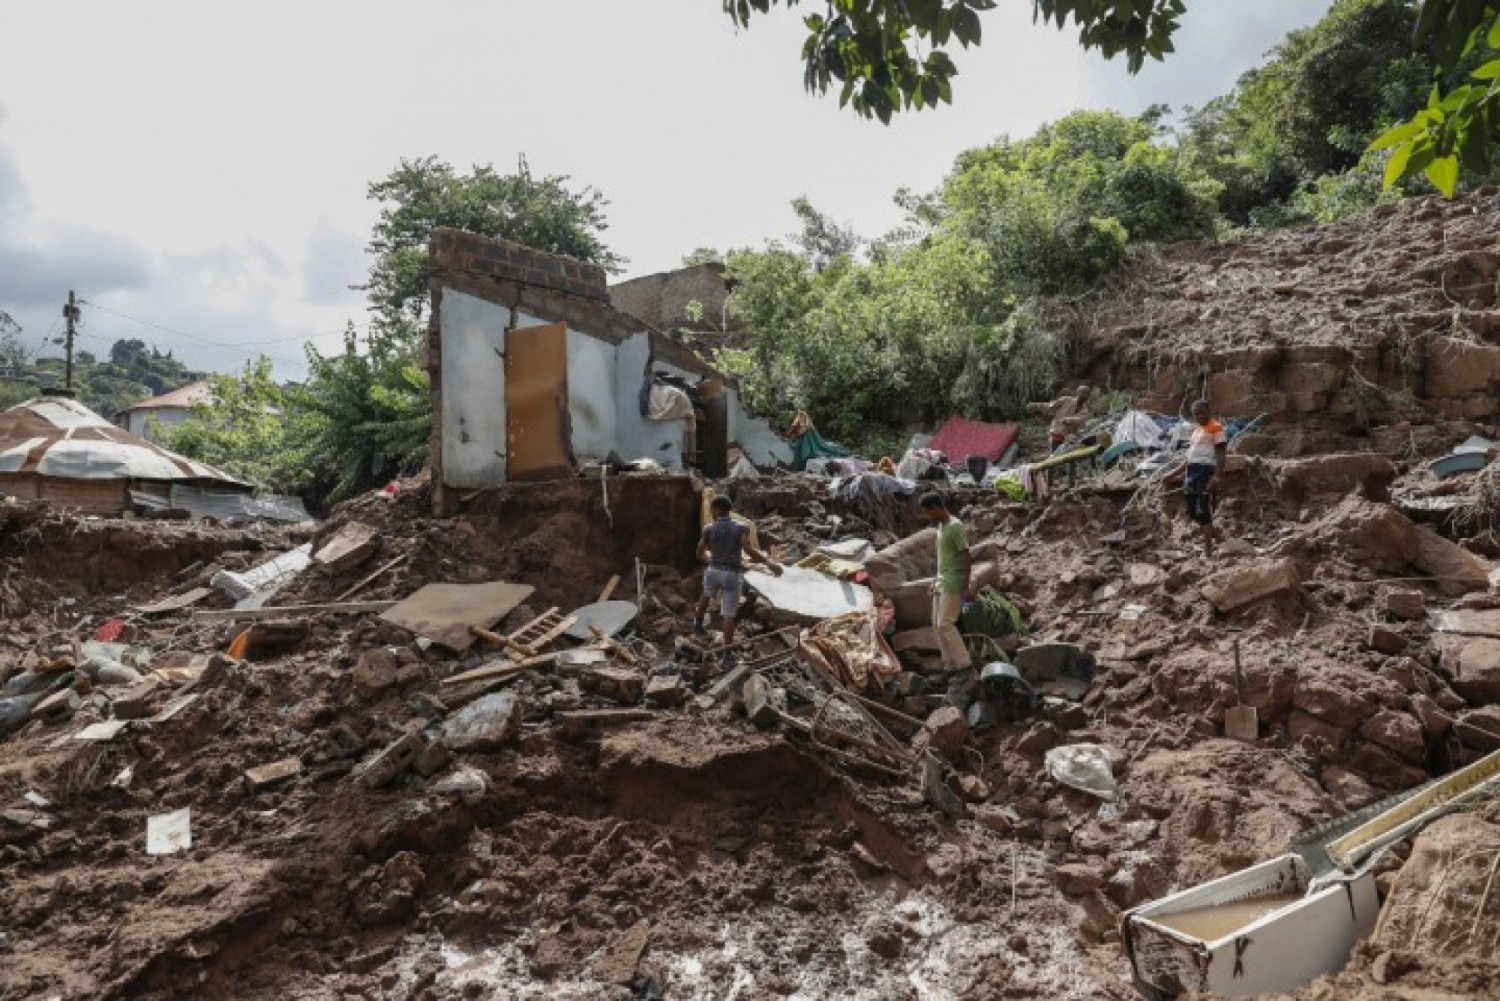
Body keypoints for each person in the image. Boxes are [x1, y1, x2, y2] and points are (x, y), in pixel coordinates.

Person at [694, 495, 781, 650]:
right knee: (728, 614)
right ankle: (727, 654)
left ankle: (698, 624)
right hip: (732, 574)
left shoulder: (708, 528)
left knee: (706, 595)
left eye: (712, 509)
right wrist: (768, 563)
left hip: (713, 570)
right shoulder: (741, 527)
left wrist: (711, 561)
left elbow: (699, 553)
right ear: (728, 510)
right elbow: (748, 549)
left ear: (716, 509)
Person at [919, 493, 972, 672]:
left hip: (953, 582)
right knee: (936, 625)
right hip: (941, 581)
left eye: (929, 512)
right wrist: (934, 580)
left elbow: (966, 555)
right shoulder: (941, 527)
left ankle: (964, 663)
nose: (929, 517)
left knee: (945, 624)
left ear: (937, 507)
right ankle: (949, 663)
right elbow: (943, 559)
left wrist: (966, 585)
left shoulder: (956, 526)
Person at [1183, 399, 1227, 557]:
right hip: (1191, 473)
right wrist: (1174, 474)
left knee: (1203, 511)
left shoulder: (1216, 427)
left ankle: (1208, 551)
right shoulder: (1196, 431)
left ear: (1209, 410)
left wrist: (1217, 475)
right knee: (1191, 511)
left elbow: (1221, 453)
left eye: (1201, 412)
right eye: (1195, 414)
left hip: (1205, 472)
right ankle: (1216, 535)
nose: (1198, 416)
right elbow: (1189, 457)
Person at [1028, 385, 1092, 452]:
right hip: (1057, 432)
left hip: (1070, 439)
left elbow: (1080, 421)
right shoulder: (1066, 400)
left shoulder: (1085, 411)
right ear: (1078, 393)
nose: (1085, 396)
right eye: (1083, 393)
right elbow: (1050, 406)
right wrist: (1035, 406)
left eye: (1087, 394)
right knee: (1054, 454)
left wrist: (1070, 420)